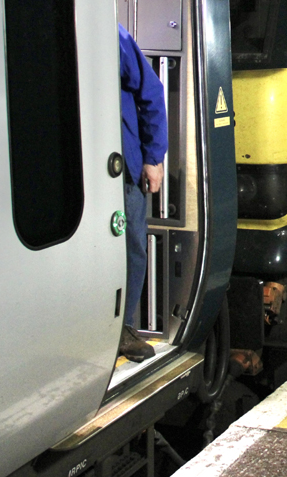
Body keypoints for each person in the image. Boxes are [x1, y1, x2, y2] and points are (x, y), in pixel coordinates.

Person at [119, 23, 168, 362]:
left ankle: (124, 329)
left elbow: (150, 93)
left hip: (121, 165)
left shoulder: (114, 37)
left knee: (132, 247)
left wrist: (153, 158)